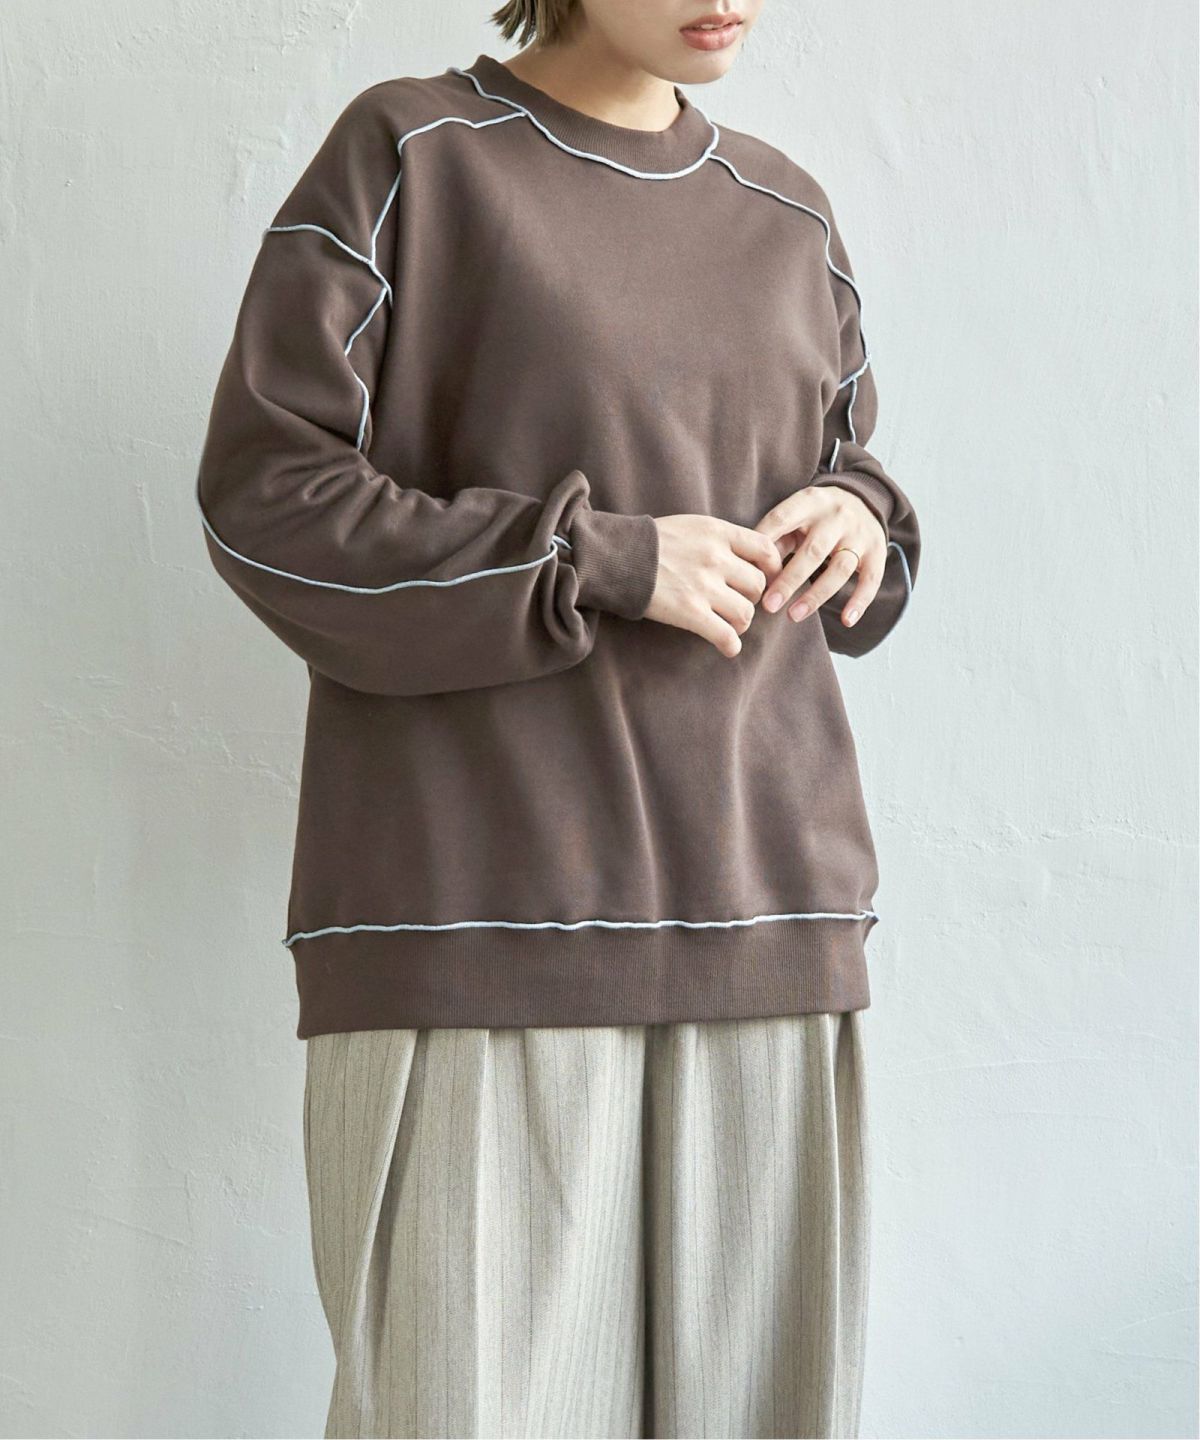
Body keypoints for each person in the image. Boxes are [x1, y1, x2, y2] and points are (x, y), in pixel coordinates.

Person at [194, 0, 921, 1434]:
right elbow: (268, 503)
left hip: (769, 921)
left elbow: (852, 485)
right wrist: (599, 559)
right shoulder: (414, 156)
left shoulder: (788, 214)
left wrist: (859, 511)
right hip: (479, 926)